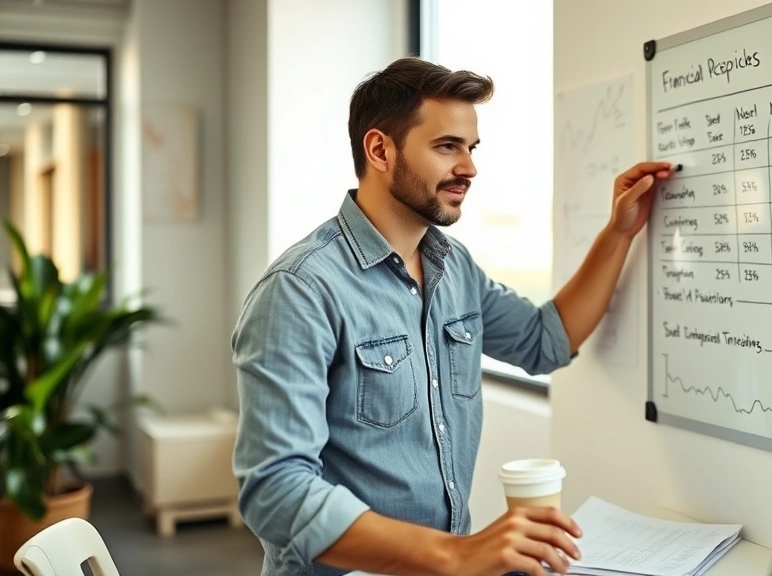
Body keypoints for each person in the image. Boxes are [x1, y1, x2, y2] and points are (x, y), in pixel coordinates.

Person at [231, 56, 675, 576]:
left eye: (471, 148)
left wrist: (619, 233)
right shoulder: (299, 290)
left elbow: (544, 340)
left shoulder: (453, 265)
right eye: (447, 147)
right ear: (379, 149)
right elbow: (277, 491)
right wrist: (459, 553)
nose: (469, 167)